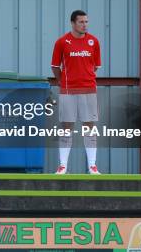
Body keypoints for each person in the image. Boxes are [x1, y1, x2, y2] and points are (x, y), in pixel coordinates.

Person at [51, 10, 102, 175]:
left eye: (86, 22)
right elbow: (55, 67)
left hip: (89, 90)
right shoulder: (62, 42)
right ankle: (63, 166)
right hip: (68, 91)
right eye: (81, 22)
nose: (85, 25)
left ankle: (92, 166)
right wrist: (63, 81)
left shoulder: (94, 41)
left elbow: (95, 66)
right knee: (66, 127)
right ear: (73, 23)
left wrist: (84, 78)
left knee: (90, 127)